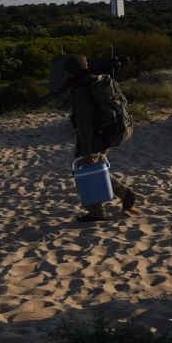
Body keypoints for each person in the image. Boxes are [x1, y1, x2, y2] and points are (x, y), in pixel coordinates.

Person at [65, 54, 139, 221]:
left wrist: (87, 151)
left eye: (68, 72)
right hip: (105, 134)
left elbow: (85, 124)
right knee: (97, 169)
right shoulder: (94, 82)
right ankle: (125, 195)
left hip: (93, 138)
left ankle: (95, 213)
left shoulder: (81, 90)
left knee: (84, 173)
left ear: (72, 72)